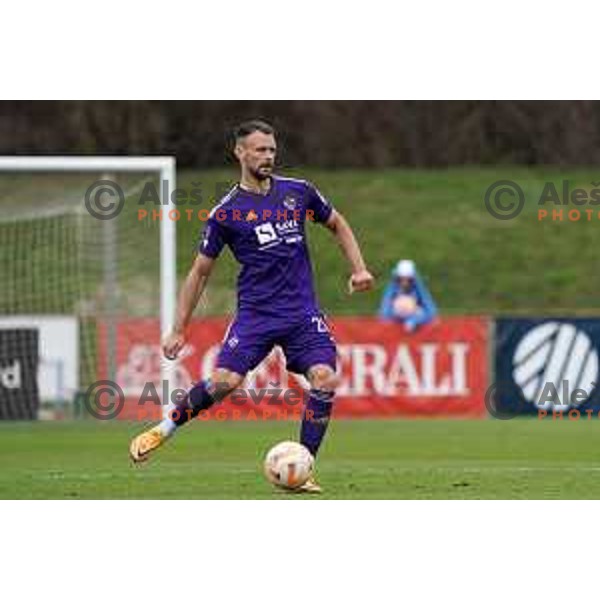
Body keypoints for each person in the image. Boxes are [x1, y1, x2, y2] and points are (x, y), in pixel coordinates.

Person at [129, 120, 374, 492]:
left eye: (272, 150)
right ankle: (163, 429)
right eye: (260, 150)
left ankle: (302, 468)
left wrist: (359, 269)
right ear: (240, 153)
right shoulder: (225, 213)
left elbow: (337, 223)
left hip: (302, 315)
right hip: (256, 316)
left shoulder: (298, 193)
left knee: (325, 378)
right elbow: (199, 273)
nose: (268, 157)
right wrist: (179, 327)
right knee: (226, 382)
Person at [378, 259, 436, 332]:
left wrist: (413, 320)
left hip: (415, 319)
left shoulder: (418, 287)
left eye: (407, 279)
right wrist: (397, 315)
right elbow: (384, 311)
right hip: (395, 321)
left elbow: (431, 311)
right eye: (401, 279)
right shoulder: (392, 287)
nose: (404, 282)